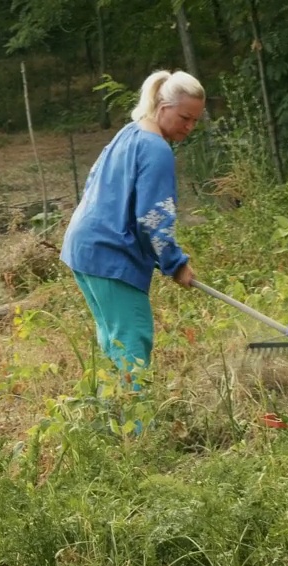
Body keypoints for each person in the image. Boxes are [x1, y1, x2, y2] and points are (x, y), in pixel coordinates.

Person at [60, 69, 205, 384]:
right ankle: (138, 431)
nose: (190, 127)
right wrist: (175, 263)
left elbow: (95, 184)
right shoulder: (157, 150)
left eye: (195, 120)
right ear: (164, 108)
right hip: (110, 254)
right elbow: (154, 217)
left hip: (84, 247)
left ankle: (113, 422)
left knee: (116, 340)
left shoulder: (130, 132)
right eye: (185, 117)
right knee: (133, 340)